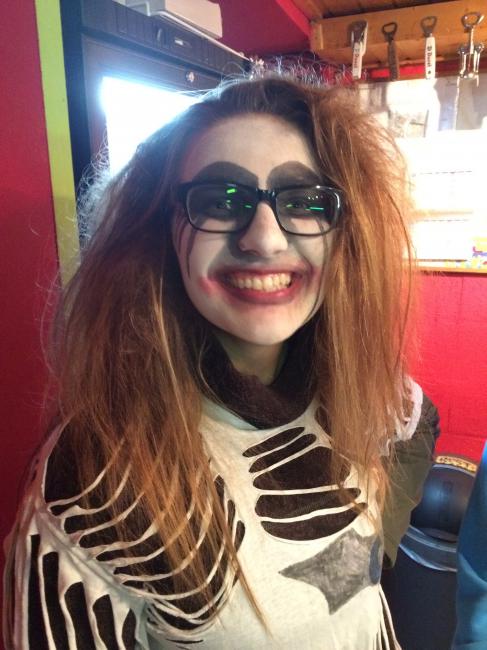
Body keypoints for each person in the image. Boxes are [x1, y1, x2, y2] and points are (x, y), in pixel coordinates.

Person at [3, 76, 439, 649]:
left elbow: (417, 417)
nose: (265, 239)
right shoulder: (91, 478)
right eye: (219, 201)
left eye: (304, 202)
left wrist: (374, 548)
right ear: (163, 230)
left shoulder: (353, 390)